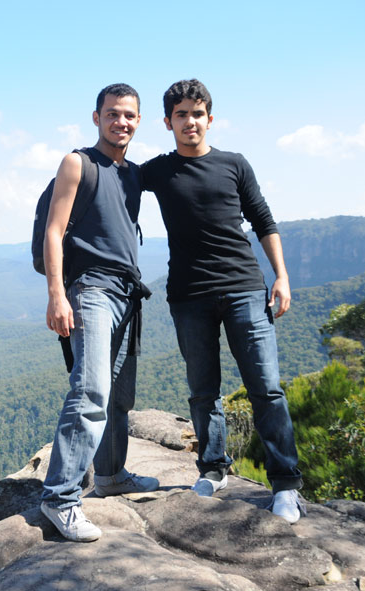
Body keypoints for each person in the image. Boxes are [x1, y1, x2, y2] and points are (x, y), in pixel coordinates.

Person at [141, 79, 305, 523]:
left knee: (265, 387)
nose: (189, 121)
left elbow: (264, 221)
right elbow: (112, 185)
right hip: (188, 295)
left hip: (244, 288)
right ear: (168, 122)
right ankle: (213, 469)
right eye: (181, 114)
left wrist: (282, 277)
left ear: (209, 119)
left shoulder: (234, 164)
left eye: (197, 114)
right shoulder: (157, 171)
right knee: (202, 390)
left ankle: (286, 484)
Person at [40, 83, 159, 542]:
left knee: (118, 397)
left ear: (139, 121)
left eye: (129, 115)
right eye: (112, 114)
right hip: (90, 292)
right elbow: (54, 230)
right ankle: (61, 496)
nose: (121, 122)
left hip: (127, 295)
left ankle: (110, 476)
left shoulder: (132, 174)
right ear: (96, 117)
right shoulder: (78, 163)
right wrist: (57, 294)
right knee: (90, 391)